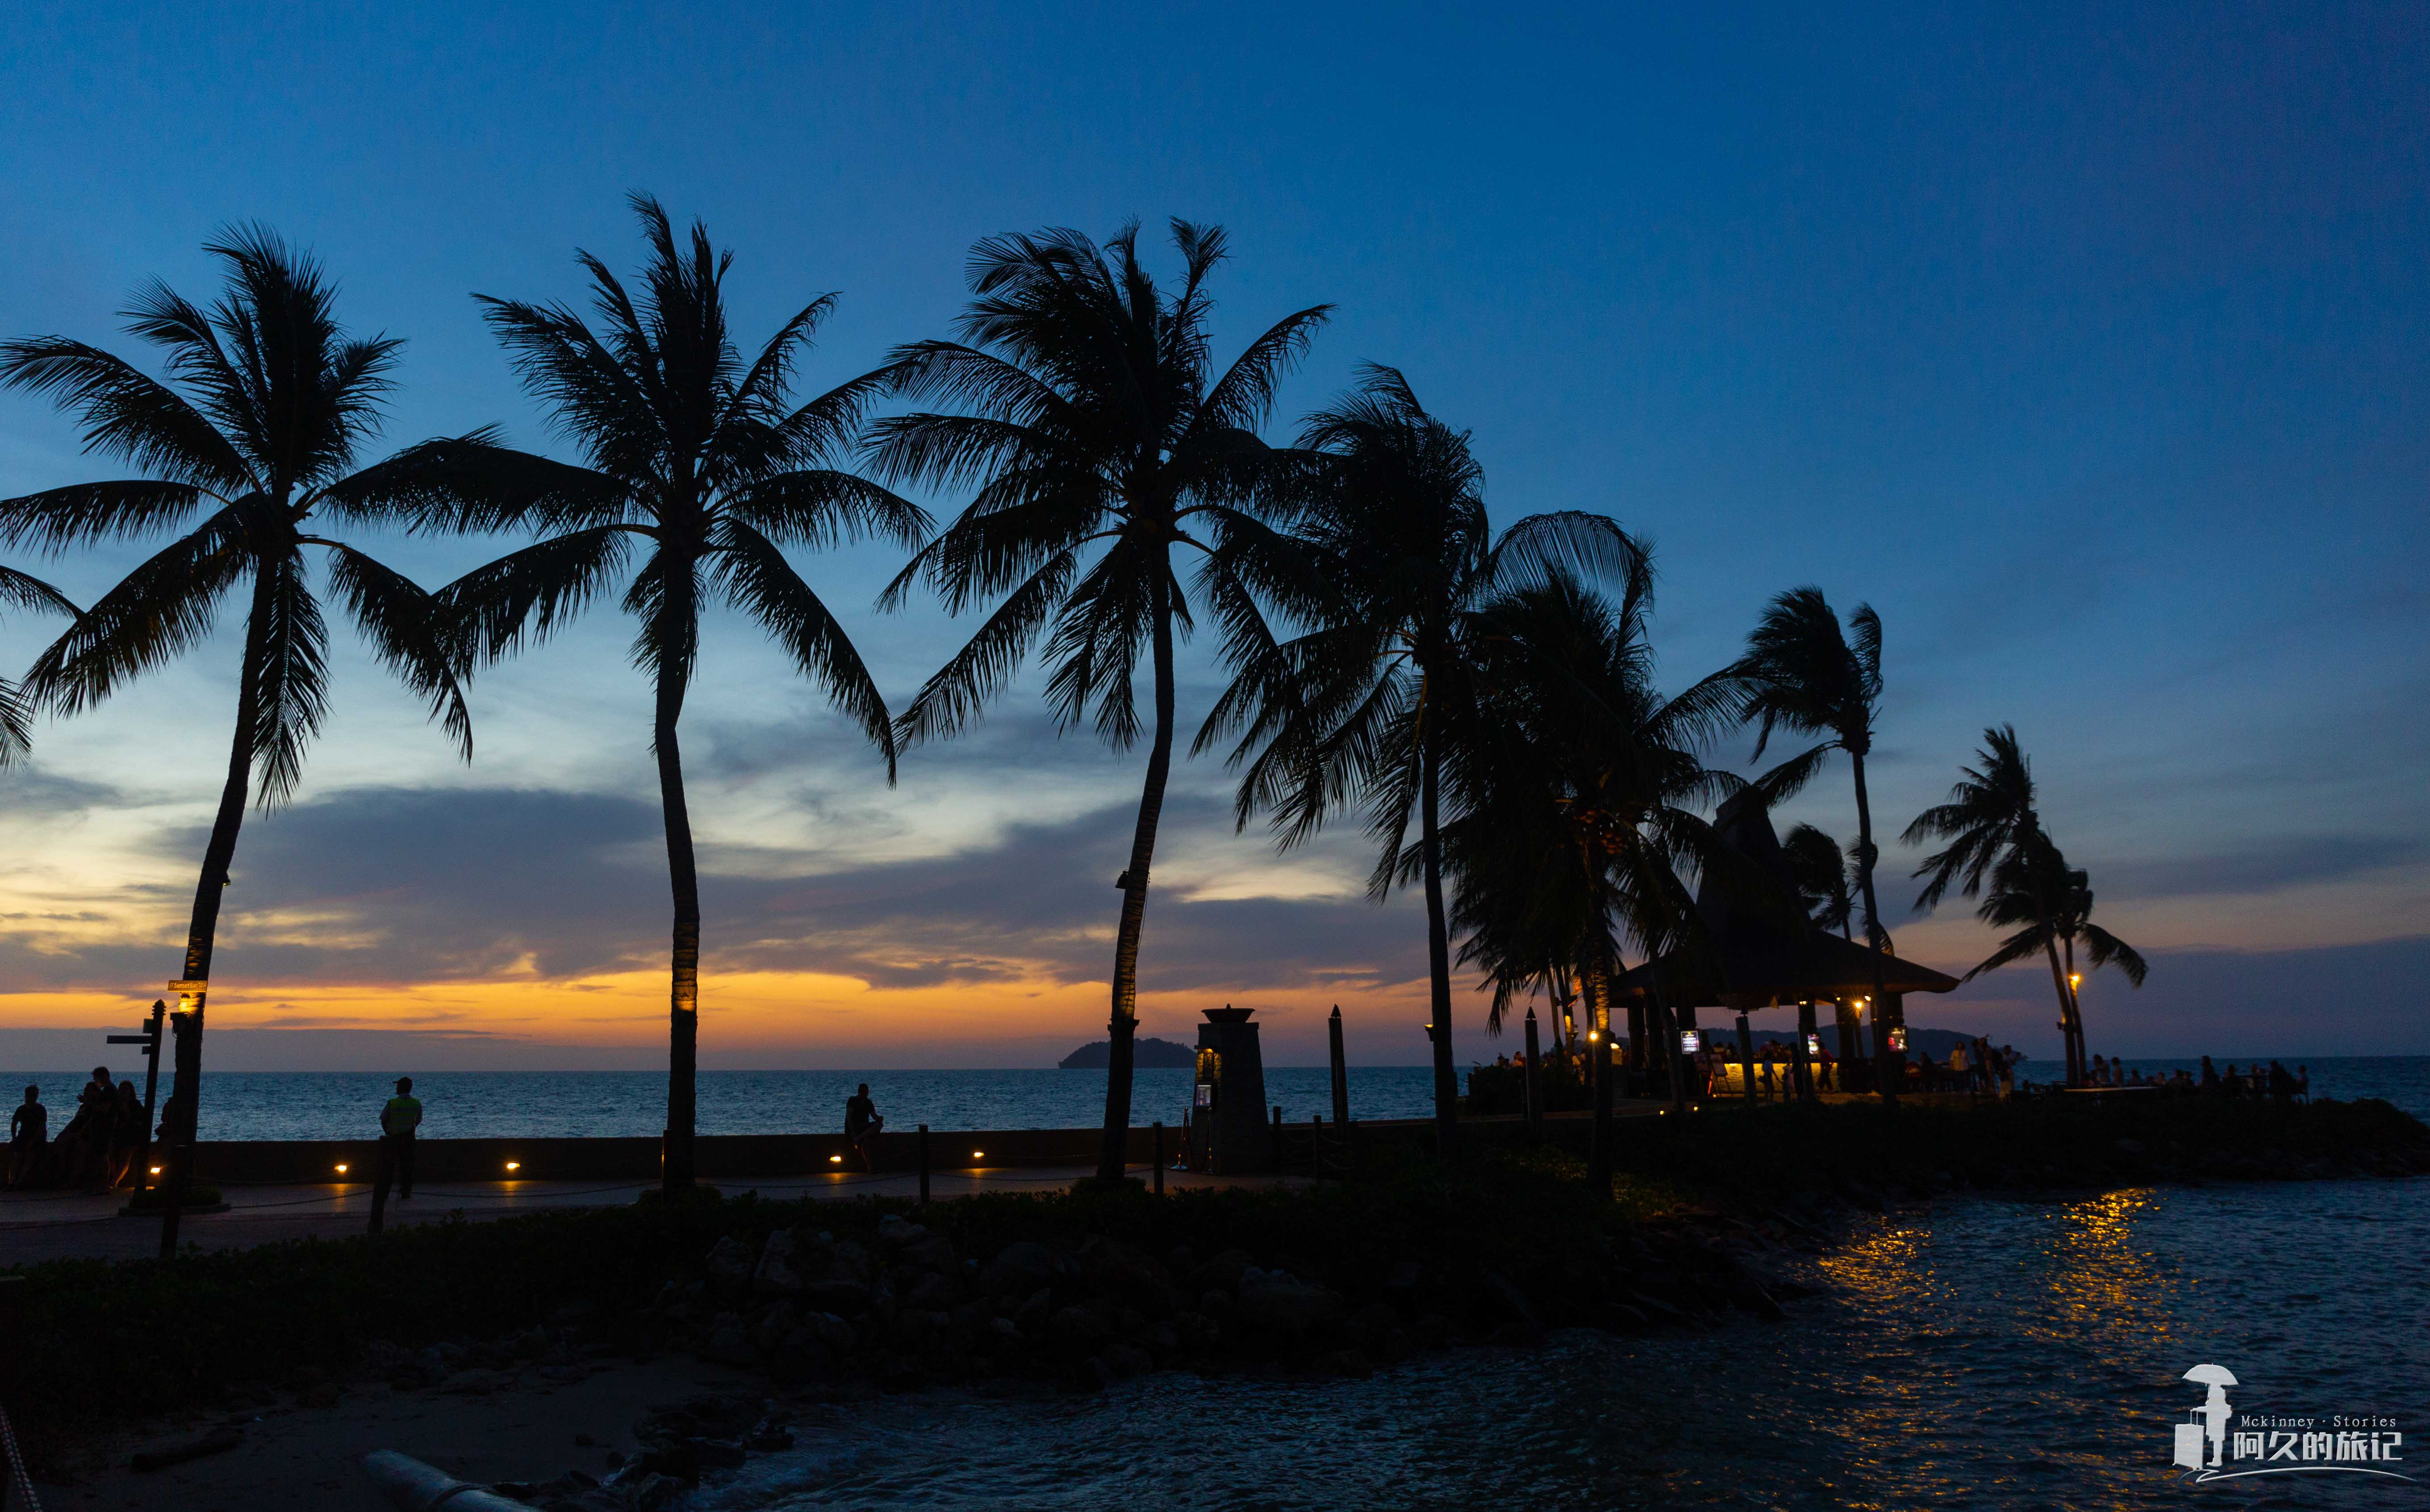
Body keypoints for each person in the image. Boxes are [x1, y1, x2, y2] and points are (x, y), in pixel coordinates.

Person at [380, 1077, 422, 1198]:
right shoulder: (416, 1103)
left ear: (401, 1088)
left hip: (393, 1139)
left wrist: (388, 1132)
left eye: (398, 1086)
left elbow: (384, 1119)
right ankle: (406, 1192)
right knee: (408, 1167)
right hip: (409, 1139)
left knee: (389, 1168)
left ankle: (385, 1192)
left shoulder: (392, 1103)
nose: (396, 1088)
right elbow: (418, 1120)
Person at [8, 1085, 45, 1189]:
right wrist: (14, 1138)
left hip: (36, 1138)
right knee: (16, 1158)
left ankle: (20, 1183)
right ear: (26, 1096)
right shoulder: (21, 1109)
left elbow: (42, 1128)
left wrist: (33, 1141)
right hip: (23, 1136)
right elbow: (14, 1124)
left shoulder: (40, 1109)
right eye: (32, 1096)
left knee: (30, 1157)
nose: (34, 1098)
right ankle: (11, 1183)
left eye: (35, 1096)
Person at [844, 1083, 884, 1170]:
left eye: (867, 1092)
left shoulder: (869, 1102)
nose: (865, 1094)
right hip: (854, 1129)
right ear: (859, 1092)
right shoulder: (852, 1100)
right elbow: (849, 1118)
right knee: (865, 1141)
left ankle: (858, 1138)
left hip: (864, 1129)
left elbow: (874, 1116)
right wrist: (853, 1131)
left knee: (880, 1125)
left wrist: (879, 1118)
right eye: (863, 1092)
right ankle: (870, 1167)